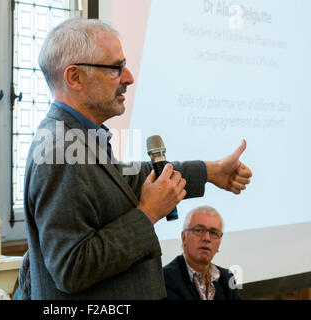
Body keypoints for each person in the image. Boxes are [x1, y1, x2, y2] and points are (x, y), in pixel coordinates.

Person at [23, 17, 252, 299]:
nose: (129, 77)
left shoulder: (77, 137)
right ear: (75, 78)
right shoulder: (58, 150)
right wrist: (148, 213)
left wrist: (210, 171)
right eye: (115, 68)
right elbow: (72, 268)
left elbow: (126, 178)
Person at [163, 206, 241, 300]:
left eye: (213, 233)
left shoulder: (226, 277)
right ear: (184, 237)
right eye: (199, 230)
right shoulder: (165, 279)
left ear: (219, 244)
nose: (207, 238)